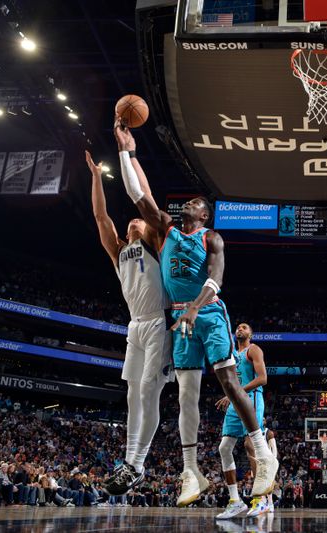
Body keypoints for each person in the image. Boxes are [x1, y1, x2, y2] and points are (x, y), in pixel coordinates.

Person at [113, 120, 278, 504]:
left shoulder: (211, 238)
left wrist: (194, 310)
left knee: (228, 382)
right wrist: (126, 151)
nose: (188, 203)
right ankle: (191, 471)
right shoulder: (167, 229)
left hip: (209, 314)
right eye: (187, 202)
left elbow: (215, 282)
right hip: (179, 318)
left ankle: (263, 454)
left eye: (196, 203)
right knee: (186, 393)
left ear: (204, 215)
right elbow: (138, 192)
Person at [84, 151, 174, 496]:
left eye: (139, 220)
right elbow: (99, 215)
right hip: (134, 326)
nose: (134, 221)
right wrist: (95, 177)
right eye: (131, 222)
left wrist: (132, 156)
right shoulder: (119, 251)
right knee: (133, 395)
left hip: (159, 323)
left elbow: (148, 202)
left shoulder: (154, 241)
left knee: (149, 391)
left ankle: (137, 463)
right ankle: (130, 464)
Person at [215, 323, 271, 519]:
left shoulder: (253, 349)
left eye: (245, 327)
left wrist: (235, 394)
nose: (240, 329)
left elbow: (263, 378)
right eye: (238, 327)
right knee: (224, 448)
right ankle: (235, 501)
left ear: (251, 333)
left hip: (252, 398)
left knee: (250, 444)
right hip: (234, 402)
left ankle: (260, 499)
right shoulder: (230, 353)